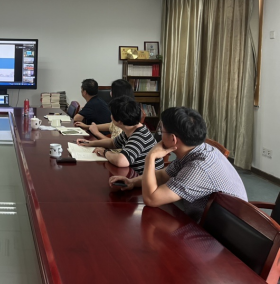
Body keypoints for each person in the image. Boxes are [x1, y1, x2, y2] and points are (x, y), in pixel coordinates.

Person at [109, 107, 247, 221]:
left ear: (173, 139)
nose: (159, 135)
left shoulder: (199, 168)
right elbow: (163, 175)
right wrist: (132, 182)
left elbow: (151, 199)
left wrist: (150, 157)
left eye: (161, 131)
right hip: (204, 221)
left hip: (218, 235)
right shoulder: (195, 150)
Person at [91, 96, 163, 175]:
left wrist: (105, 152)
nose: (111, 116)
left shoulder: (139, 136)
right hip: (136, 176)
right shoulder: (131, 129)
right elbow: (113, 143)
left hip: (146, 179)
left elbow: (121, 161)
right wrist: (91, 143)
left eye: (112, 114)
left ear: (119, 121)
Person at [75, 79, 135, 146]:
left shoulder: (124, 118)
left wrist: (96, 133)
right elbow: (111, 126)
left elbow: (116, 145)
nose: (110, 92)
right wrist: (87, 127)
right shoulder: (126, 112)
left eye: (112, 90)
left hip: (111, 147)